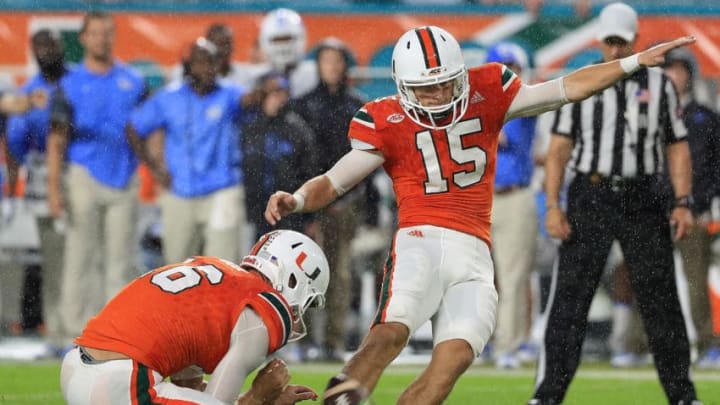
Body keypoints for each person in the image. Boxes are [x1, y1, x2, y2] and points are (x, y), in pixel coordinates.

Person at [263, 23, 696, 405]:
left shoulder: (487, 90)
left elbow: (567, 87)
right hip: (420, 242)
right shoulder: (385, 117)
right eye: (425, 88)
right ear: (401, 84)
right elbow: (335, 180)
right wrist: (298, 200)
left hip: (474, 253)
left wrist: (633, 62)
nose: (435, 96)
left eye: (445, 84)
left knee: (451, 362)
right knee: (390, 332)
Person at [531, 3, 700, 404]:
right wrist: (553, 204)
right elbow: (558, 149)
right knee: (570, 300)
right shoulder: (581, 81)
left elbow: (677, 146)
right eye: (609, 42)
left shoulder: (659, 85)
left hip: (642, 195)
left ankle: (682, 395)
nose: (615, 50)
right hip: (591, 192)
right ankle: (548, 393)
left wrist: (681, 201)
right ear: (600, 41)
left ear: (634, 39)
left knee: (661, 300)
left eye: (621, 42)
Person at [60, 229, 328, 405]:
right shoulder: (264, 306)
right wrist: (260, 397)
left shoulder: (217, 275)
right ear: (293, 280)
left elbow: (191, 392)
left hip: (77, 368)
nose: (297, 314)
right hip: (123, 384)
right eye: (307, 302)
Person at [47, 11, 146, 348]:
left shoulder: (133, 81)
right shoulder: (70, 83)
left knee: (121, 259)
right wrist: (53, 190)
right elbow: (57, 139)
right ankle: (72, 333)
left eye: (108, 33)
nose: (103, 39)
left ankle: (116, 334)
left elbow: (148, 132)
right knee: (80, 256)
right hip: (83, 173)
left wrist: (158, 170)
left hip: (124, 175)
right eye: (96, 34)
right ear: (84, 38)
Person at [128, 37, 247, 264]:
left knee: (223, 267)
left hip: (222, 189)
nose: (208, 69)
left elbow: (250, 100)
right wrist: (153, 168)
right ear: (187, 67)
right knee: (176, 268)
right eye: (200, 62)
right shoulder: (168, 98)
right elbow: (134, 127)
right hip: (179, 190)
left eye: (211, 62)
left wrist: (265, 92)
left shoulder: (230, 94)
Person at [293, 38, 368, 362]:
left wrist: (361, 200)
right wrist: (305, 202)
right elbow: (299, 158)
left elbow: (367, 157)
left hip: (346, 202)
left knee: (340, 274)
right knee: (306, 271)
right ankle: (304, 339)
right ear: (319, 66)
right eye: (327, 61)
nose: (333, 67)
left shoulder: (356, 106)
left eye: (338, 61)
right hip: (312, 200)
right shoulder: (304, 106)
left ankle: (334, 341)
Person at [4, 29, 68, 339]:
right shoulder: (29, 92)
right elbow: (15, 144)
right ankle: (57, 328)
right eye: (39, 46)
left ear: (61, 46)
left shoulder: (78, 82)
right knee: (54, 257)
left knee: (88, 257)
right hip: (44, 174)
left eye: (50, 45)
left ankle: (88, 324)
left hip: (82, 169)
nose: (45, 52)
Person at [663, 47, 720, 369]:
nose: (674, 76)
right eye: (668, 70)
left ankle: (708, 344)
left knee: (696, 282)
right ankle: (653, 346)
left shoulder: (705, 118)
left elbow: (715, 168)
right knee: (653, 281)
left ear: (689, 75)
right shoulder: (651, 116)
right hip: (657, 211)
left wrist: (701, 204)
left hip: (694, 212)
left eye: (679, 70)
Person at [484, 41, 539, 369]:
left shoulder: (525, 99)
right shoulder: (475, 104)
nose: (507, 73)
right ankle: (479, 341)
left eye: (511, 66)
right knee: (473, 276)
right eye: (500, 67)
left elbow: (499, 135)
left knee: (513, 275)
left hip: (514, 195)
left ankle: (510, 344)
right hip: (480, 198)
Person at [242, 71, 318, 241]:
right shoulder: (249, 128)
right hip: (256, 211)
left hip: (290, 211)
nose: (276, 98)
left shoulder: (298, 128)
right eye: (271, 93)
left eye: (280, 93)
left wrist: (310, 217)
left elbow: (310, 172)